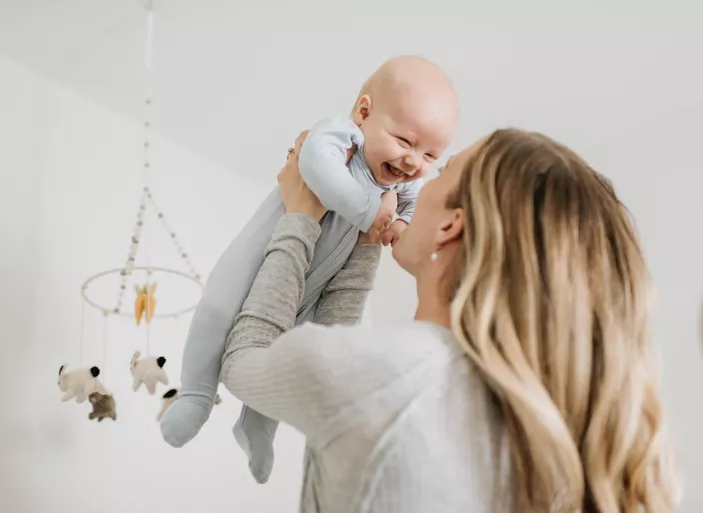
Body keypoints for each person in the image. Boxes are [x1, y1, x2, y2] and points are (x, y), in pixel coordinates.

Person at [220, 128, 680, 512]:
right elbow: (347, 372)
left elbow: (244, 359)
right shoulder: (541, 428)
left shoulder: (382, 376)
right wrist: (363, 242)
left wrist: (300, 217)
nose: (417, 174)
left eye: (440, 169)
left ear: (449, 225)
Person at [160, 55, 458, 484]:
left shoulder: (401, 184)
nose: (414, 161)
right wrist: (370, 210)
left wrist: (400, 222)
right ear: (364, 113)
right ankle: (196, 395)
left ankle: (258, 425)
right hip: (264, 252)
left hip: (313, 283)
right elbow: (315, 166)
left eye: (430, 153)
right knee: (217, 310)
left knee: (289, 347)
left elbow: (406, 207)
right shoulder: (340, 136)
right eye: (405, 141)